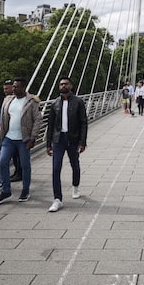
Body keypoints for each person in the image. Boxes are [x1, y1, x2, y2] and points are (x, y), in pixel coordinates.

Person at [0, 77, 41, 205]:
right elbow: (3, 122)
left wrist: (33, 138)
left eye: (16, 87)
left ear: (23, 88)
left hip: (24, 140)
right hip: (9, 138)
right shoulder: (8, 100)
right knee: (3, 162)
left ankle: (25, 190)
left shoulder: (32, 101)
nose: (13, 89)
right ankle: (6, 190)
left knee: (25, 165)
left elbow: (37, 120)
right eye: (13, 86)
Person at [46, 76, 88, 212]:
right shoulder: (55, 104)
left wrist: (82, 142)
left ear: (71, 86)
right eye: (61, 84)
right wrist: (48, 144)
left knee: (74, 164)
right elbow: (50, 125)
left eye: (66, 84)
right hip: (58, 140)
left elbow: (83, 123)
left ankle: (75, 185)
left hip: (73, 139)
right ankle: (57, 199)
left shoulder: (78, 102)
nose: (63, 86)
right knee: (56, 168)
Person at [2, 80, 22, 182]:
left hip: (19, 134)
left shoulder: (18, 99)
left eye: (7, 88)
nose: (5, 91)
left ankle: (20, 173)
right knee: (14, 155)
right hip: (9, 133)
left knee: (18, 156)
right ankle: (17, 172)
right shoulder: (7, 99)